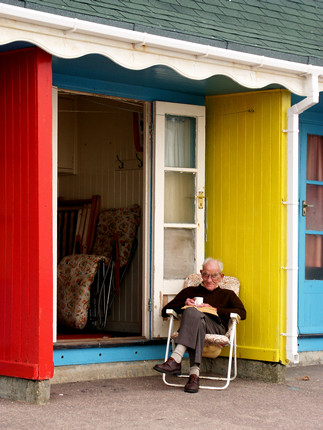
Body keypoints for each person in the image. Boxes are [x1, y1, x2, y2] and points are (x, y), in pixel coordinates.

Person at [153, 258, 246, 393]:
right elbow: (165, 311)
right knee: (194, 315)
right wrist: (184, 303)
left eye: (214, 276)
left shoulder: (227, 295)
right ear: (201, 273)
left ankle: (176, 359)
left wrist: (215, 309)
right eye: (206, 275)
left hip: (216, 327)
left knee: (192, 314)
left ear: (221, 277)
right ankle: (194, 376)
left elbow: (242, 313)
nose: (209, 280)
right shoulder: (190, 291)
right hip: (196, 328)